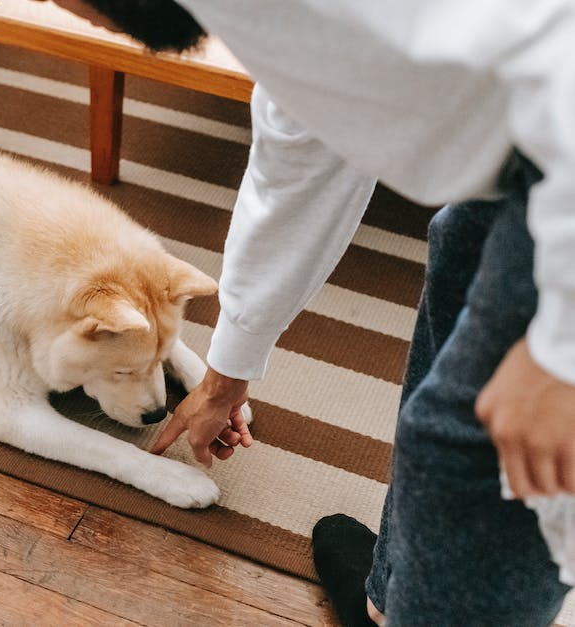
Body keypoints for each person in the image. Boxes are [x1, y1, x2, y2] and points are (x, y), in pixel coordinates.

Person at [54, 1, 575, 625]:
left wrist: (558, 353)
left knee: (476, 452)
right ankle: (390, 601)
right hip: (527, 142)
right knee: (459, 250)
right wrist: (227, 374)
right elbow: (299, 155)